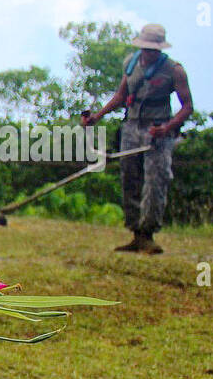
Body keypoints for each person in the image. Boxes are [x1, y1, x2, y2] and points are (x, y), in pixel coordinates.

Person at [82, 23, 193, 254]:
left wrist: (168, 127)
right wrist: (96, 117)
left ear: (160, 49)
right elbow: (121, 96)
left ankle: (148, 234)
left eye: (153, 49)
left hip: (157, 131)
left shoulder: (174, 70)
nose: (149, 53)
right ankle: (135, 234)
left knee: (155, 181)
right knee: (129, 178)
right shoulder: (131, 64)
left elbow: (187, 107)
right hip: (131, 127)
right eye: (146, 48)